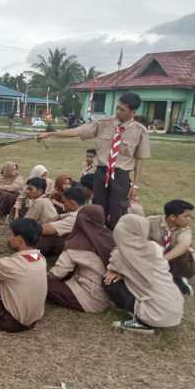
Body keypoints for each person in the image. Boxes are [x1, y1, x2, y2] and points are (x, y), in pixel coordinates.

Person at [38, 92, 151, 229]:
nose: (118, 112)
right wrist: (50, 133)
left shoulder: (140, 131)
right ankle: (96, 238)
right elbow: (77, 132)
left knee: (118, 212)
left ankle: (112, 241)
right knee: (98, 210)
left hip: (121, 176)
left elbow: (139, 159)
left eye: (122, 109)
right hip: (101, 173)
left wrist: (135, 185)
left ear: (132, 112)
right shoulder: (104, 124)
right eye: (117, 107)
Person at [103, 214, 184, 334]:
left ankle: (143, 322)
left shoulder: (121, 257)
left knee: (108, 281)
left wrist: (118, 272)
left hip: (157, 314)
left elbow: (112, 266)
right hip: (175, 307)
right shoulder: (155, 247)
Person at [47, 205, 114, 313]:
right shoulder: (110, 237)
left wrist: (45, 277)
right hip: (111, 297)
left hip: (91, 299)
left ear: (79, 220)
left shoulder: (76, 243)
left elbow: (58, 273)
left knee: (43, 283)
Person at [148, 200, 195, 296]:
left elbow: (184, 244)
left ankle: (177, 277)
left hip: (171, 261)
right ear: (172, 217)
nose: (189, 219)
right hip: (151, 259)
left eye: (190, 216)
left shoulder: (185, 229)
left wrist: (162, 260)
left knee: (185, 251)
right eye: (186, 216)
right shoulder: (151, 222)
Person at [38, 186, 86, 258]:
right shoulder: (86, 210)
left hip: (76, 253)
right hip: (82, 249)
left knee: (50, 237)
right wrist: (58, 216)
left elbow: (44, 230)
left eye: (64, 202)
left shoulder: (74, 218)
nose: (63, 205)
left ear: (72, 203)